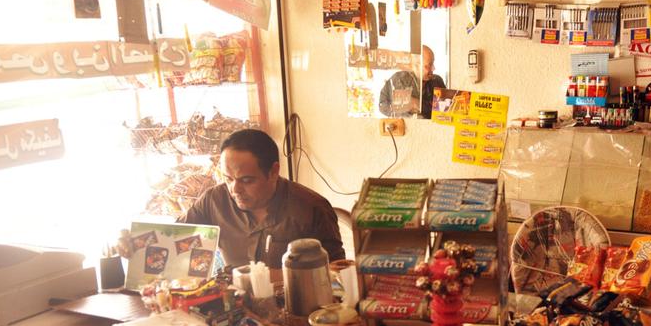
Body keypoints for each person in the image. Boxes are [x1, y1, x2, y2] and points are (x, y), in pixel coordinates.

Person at [121, 129, 344, 269]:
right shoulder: (214, 200)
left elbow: (338, 274)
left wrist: (276, 279)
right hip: (231, 313)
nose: (234, 189)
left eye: (247, 180)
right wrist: (134, 243)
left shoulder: (310, 208)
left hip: (296, 313)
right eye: (228, 178)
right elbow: (174, 241)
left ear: (273, 171)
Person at [378, 45, 446, 119]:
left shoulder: (437, 81)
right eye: (429, 65)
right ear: (416, 66)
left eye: (433, 63)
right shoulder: (399, 79)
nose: (433, 68)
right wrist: (403, 108)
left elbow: (445, 113)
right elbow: (382, 106)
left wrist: (418, 104)